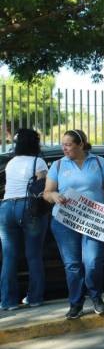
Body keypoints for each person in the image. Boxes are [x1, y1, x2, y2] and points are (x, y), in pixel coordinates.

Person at [44, 129, 104, 319]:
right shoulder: (59, 165)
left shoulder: (99, 162)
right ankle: (75, 303)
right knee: (72, 265)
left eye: (68, 144)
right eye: (63, 144)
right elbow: (47, 192)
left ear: (81, 144)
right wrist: (54, 195)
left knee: (92, 262)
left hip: (94, 220)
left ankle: (95, 296)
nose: (64, 148)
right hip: (65, 221)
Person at [0, 129, 49, 310]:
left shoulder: (11, 162)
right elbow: (41, 188)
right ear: (35, 143)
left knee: (9, 257)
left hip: (6, 208)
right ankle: (34, 298)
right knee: (34, 255)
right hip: (29, 208)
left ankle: (7, 301)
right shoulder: (39, 161)